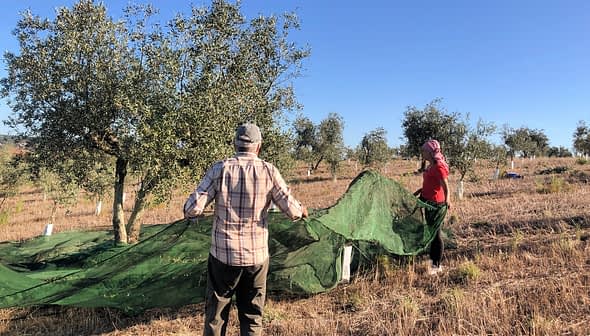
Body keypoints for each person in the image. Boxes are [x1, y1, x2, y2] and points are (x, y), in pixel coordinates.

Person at [183, 123, 308, 336]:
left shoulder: (220, 168)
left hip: (223, 256)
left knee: (216, 316)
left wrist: (193, 209)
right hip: (256, 258)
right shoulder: (269, 171)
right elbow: (293, 211)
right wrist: (302, 210)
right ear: (258, 147)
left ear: (235, 144)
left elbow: (192, 209)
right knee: (252, 316)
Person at [413, 139, 451, 275]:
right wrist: (420, 191)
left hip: (435, 205)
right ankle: (433, 261)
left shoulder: (438, 167)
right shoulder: (430, 166)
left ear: (430, 152)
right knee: (431, 232)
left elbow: (445, 186)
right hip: (427, 201)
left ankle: (437, 265)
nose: (422, 153)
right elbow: (430, 183)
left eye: (424, 150)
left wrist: (447, 200)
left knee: (435, 234)